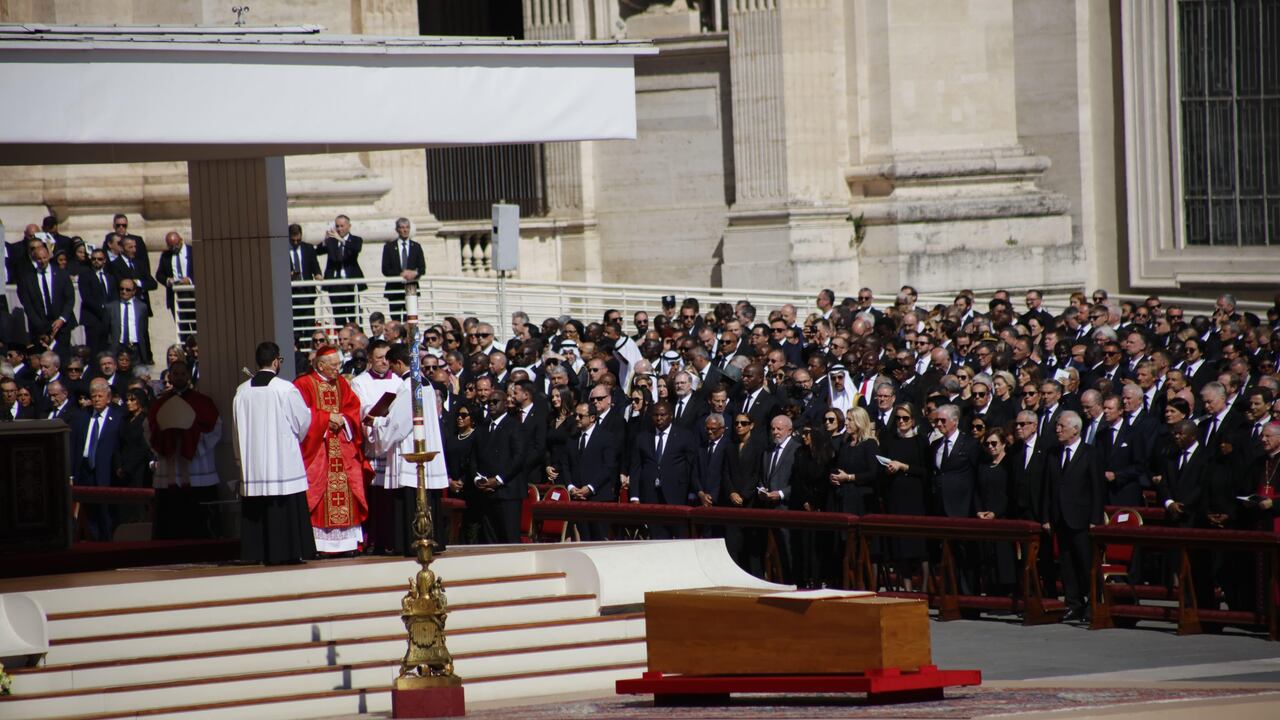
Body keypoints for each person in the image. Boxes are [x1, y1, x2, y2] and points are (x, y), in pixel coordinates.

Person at [234, 342, 316, 565]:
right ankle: (286, 552)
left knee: (257, 506)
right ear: (276, 361)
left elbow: (236, 428)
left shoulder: (242, 391)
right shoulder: (285, 388)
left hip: (254, 463)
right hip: (282, 461)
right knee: (283, 506)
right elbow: (302, 421)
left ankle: (256, 553)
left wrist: (239, 457)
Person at [364, 343, 450, 555]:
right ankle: (432, 539)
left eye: (392, 366)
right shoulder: (426, 384)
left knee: (412, 496)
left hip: (411, 451)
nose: (391, 370)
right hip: (426, 447)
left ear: (399, 363)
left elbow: (398, 425)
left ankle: (412, 542)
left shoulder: (409, 387)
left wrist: (375, 424)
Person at [294, 345, 371, 555]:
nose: (339, 368)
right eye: (334, 365)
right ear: (320, 365)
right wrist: (327, 418)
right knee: (318, 491)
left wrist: (343, 419)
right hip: (319, 449)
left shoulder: (342, 384)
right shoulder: (303, 384)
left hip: (341, 448)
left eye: (339, 364)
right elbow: (299, 414)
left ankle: (347, 544)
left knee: (348, 488)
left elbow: (352, 407)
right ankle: (319, 546)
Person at [147, 360, 222, 540]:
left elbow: (215, 428)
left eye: (182, 374)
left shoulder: (202, 402)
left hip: (197, 469)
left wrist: (192, 445)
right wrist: (167, 444)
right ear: (170, 376)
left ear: (188, 376)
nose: (179, 377)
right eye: (175, 374)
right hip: (170, 471)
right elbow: (149, 429)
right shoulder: (159, 403)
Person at [1043, 411, 1104, 623]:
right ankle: (1073, 603)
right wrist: (1047, 517)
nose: (1057, 430)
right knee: (1067, 564)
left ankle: (1092, 602)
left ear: (1075, 429)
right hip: (1060, 518)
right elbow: (1048, 488)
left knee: (1086, 563)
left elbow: (1097, 488)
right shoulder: (1053, 453)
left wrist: (1095, 519)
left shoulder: (1089, 453)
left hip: (1082, 518)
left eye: (1061, 426)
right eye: (1057, 426)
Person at [629, 400, 700, 539]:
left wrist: (693, 492)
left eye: (663, 415)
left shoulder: (684, 436)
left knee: (679, 536)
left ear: (671, 415)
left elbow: (692, 466)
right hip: (650, 494)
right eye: (655, 415)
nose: (659, 418)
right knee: (656, 537)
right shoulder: (642, 437)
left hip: (677, 493)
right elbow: (636, 467)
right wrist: (634, 496)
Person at [878, 402, 932, 583]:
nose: (901, 421)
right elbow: (880, 469)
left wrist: (903, 466)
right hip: (896, 496)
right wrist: (888, 469)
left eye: (905, 418)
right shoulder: (890, 440)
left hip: (916, 497)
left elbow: (926, 471)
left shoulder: (921, 441)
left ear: (913, 420)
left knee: (920, 545)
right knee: (901, 546)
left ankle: (924, 589)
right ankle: (906, 589)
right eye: (898, 418)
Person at [69, 378, 126, 540]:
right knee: (90, 514)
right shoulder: (81, 417)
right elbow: (74, 446)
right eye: (93, 396)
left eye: (100, 396)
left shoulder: (117, 417)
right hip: (85, 472)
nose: (96, 399)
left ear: (108, 397)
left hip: (106, 472)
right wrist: (72, 473)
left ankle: (108, 543)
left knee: (105, 514)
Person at [563, 401, 620, 540]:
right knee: (584, 539)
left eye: (581, 416)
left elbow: (608, 466)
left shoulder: (606, 437)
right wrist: (571, 487)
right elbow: (565, 464)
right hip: (577, 497)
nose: (576, 418)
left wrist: (590, 487)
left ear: (592, 418)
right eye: (575, 415)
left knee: (599, 539)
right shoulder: (572, 438)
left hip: (598, 497)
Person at [16, 241, 76, 356]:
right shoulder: (28, 278)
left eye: (44, 258)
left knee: (63, 357)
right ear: (34, 259)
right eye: (39, 259)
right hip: (40, 327)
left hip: (61, 326)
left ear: (48, 256)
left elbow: (70, 298)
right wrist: (41, 327)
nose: (42, 261)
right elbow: (28, 305)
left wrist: (61, 319)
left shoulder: (61, 274)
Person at [976, 427, 1016, 596]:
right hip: (985, 516)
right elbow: (977, 490)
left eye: (994, 443)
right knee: (988, 556)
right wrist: (979, 511)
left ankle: (1008, 591)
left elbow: (1010, 492)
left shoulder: (1010, 464)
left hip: (1002, 516)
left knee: (1004, 556)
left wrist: (996, 512)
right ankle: (993, 591)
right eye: (987, 444)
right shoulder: (984, 466)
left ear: (1003, 444)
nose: (991, 447)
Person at [323, 214, 366, 327]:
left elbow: (356, 249)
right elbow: (318, 251)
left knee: (354, 316)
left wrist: (341, 240)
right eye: (337, 226)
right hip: (335, 284)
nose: (339, 229)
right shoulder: (331, 241)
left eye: (342, 226)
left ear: (349, 226)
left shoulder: (356, 240)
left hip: (351, 284)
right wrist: (325, 240)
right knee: (339, 317)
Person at [381, 217, 426, 320]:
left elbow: (422, 268)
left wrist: (414, 273)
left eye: (407, 227)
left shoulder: (416, 247)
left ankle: (411, 336)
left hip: (411, 286)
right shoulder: (389, 247)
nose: (405, 230)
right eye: (402, 227)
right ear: (397, 229)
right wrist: (401, 274)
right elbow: (385, 269)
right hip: (394, 288)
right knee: (395, 319)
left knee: (411, 318)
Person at [108, 277, 153, 364]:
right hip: (118, 347)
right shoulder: (111, 307)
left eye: (128, 290)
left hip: (135, 348)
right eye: (121, 289)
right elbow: (105, 330)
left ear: (134, 291)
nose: (124, 291)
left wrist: (147, 354)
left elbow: (144, 331)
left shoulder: (142, 307)